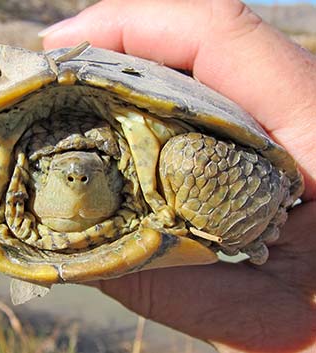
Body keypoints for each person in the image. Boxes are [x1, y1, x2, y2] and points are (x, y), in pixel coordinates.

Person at [39, 1, 316, 352]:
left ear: (121, 172)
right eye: (45, 168)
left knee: (189, 162)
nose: (76, 177)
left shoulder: (179, 162)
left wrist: (251, 210)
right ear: (22, 174)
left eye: (100, 169)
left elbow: (200, 162)